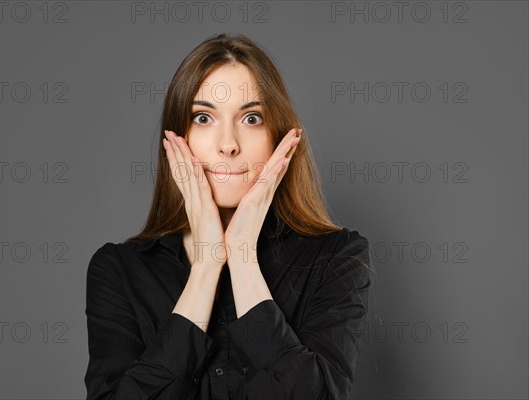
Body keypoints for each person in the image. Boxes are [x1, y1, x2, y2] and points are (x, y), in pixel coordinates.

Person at [84, 32, 372, 400]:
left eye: (251, 118)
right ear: (177, 135)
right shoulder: (118, 270)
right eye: (203, 117)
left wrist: (242, 256)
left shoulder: (337, 258)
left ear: (278, 136)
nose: (228, 144)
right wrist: (206, 266)